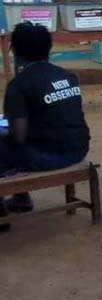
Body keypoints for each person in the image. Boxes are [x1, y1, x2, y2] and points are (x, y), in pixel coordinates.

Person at [0, 23, 91, 232]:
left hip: (48, 156)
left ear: (15, 51)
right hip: (78, 149)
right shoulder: (66, 76)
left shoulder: (19, 85)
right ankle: (21, 198)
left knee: (6, 145)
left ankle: (1, 213)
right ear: (48, 49)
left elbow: (18, 137)